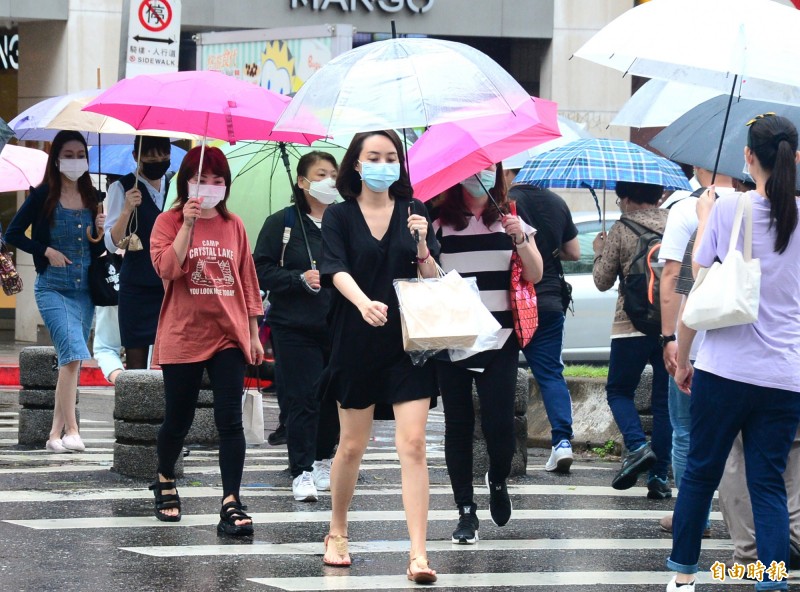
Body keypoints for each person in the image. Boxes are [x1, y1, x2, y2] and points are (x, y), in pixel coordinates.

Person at [667, 114, 800, 592]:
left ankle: (682, 576)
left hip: (724, 371)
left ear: (747, 156)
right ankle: (771, 582)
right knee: (768, 483)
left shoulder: (726, 209)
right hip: (784, 377)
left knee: (701, 474)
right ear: (796, 157)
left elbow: (693, 289)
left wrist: (683, 359)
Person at [318, 130, 439, 583]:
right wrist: (363, 302)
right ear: (356, 164)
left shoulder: (415, 211)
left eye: (391, 157)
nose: (383, 164)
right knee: (352, 445)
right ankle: (338, 530)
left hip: (408, 345)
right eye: (374, 157)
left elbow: (430, 274)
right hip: (355, 340)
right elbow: (334, 269)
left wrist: (423, 244)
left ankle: (419, 554)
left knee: (413, 444)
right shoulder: (339, 215)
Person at [148, 146, 263, 535]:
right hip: (183, 332)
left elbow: (247, 279)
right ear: (186, 182)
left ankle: (231, 500)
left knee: (230, 422)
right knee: (178, 419)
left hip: (228, 334)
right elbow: (167, 269)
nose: (210, 187)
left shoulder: (235, 225)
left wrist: (252, 332)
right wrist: (186, 227)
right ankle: (165, 477)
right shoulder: (168, 220)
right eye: (202, 179)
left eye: (218, 180)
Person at [433, 164, 543, 545]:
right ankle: (465, 511)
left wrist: (521, 241)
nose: (475, 173)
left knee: (499, 425)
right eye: (468, 166)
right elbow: (426, 276)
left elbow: (536, 274)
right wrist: (418, 242)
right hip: (453, 339)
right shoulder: (437, 224)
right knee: (458, 426)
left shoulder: (512, 218)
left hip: (501, 338)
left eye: (485, 166)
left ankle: (497, 479)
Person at [5, 130, 105, 453]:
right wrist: (44, 250)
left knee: (70, 360)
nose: (75, 161)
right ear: (57, 158)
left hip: (84, 292)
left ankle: (53, 436)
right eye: (69, 155)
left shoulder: (93, 197)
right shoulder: (42, 195)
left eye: (80, 155)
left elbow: (98, 247)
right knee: (74, 352)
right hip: (52, 289)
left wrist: (101, 230)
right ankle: (73, 430)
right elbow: (13, 233)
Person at [253, 151, 341, 502]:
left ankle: (323, 460)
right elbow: (260, 269)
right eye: (322, 175)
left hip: (336, 324)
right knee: (302, 398)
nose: (329, 182)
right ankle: (301, 469)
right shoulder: (283, 223)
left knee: (333, 399)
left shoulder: (343, 220)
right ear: (303, 182)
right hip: (294, 327)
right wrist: (296, 278)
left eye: (334, 174)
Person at [658, 167, 734, 527]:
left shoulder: (689, 210)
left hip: (703, 344)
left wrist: (671, 339)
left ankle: (691, 517)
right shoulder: (777, 209)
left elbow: (676, 276)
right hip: (760, 353)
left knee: (687, 430)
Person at [592, 181, 671, 495]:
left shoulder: (621, 230)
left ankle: (638, 446)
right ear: (659, 195)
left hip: (630, 325)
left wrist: (600, 253)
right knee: (665, 404)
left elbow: (601, 281)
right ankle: (659, 478)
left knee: (619, 391)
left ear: (626, 198)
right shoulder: (676, 224)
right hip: (670, 327)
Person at [510, 181, 580, 473]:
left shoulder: (506, 204)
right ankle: (562, 441)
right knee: (551, 373)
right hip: (550, 298)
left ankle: (503, 447)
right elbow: (574, 252)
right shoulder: (557, 202)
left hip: (513, 300)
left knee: (499, 372)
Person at [104, 136, 174, 370]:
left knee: (170, 358)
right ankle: (133, 408)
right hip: (137, 286)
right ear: (136, 157)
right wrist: (126, 210)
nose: (158, 161)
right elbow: (112, 244)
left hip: (170, 286)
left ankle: (166, 407)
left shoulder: (177, 185)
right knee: (136, 361)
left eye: (164, 156)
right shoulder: (122, 187)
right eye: (151, 156)